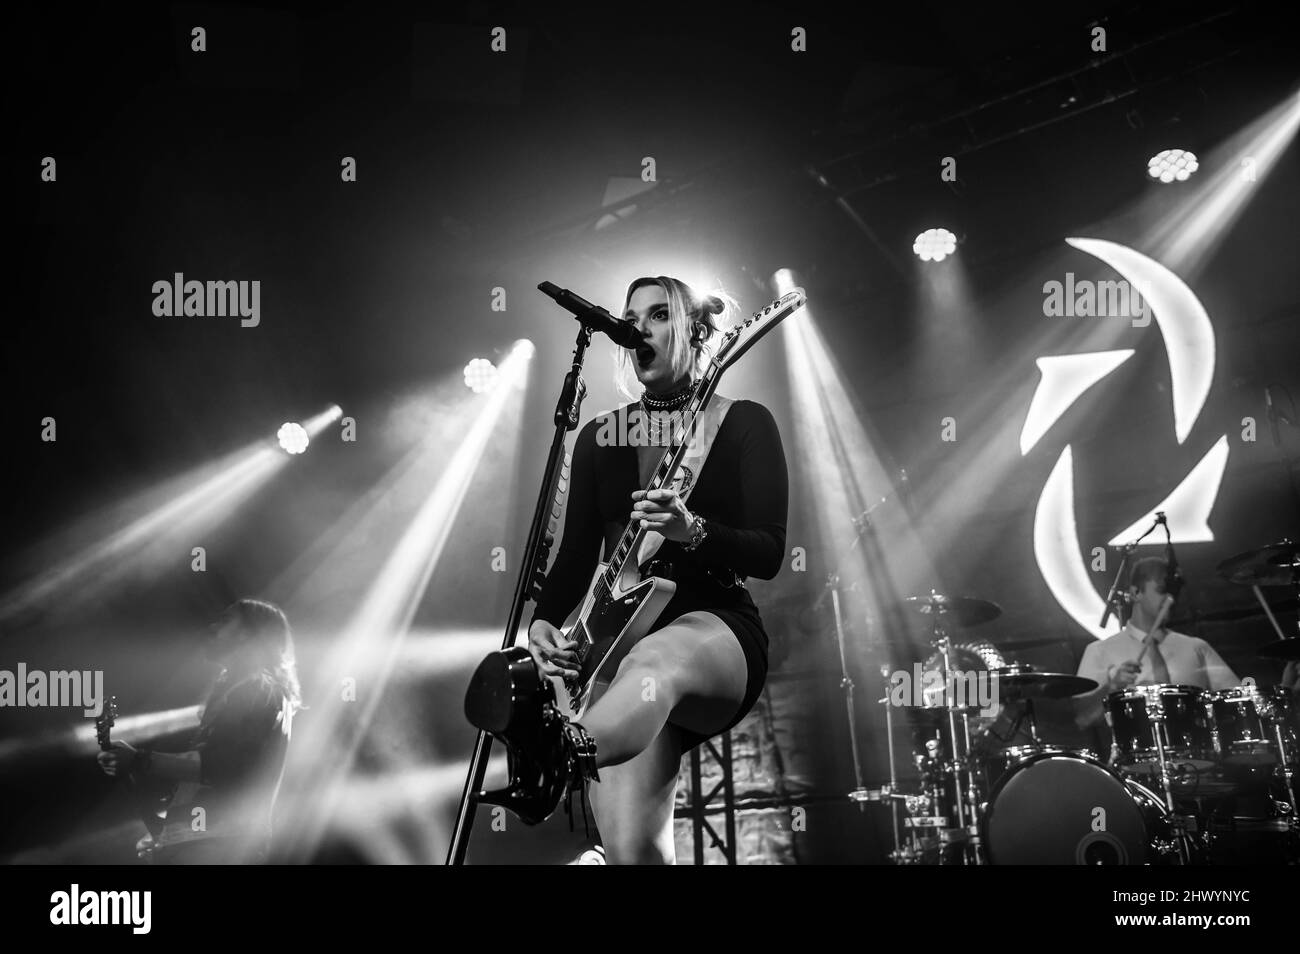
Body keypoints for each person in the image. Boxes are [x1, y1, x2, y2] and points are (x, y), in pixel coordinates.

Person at [465, 275, 788, 864]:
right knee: (635, 854)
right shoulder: (600, 436)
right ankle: (569, 749)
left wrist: (693, 531)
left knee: (653, 662)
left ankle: (560, 749)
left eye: (659, 314)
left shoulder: (744, 422)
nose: (639, 327)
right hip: (614, 645)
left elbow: (769, 551)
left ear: (694, 331)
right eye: (631, 317)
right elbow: (574, 554)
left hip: (713, 626)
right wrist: (543, 624)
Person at [97, 599, 302, 863]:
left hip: (217, 844)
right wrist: (167, 834)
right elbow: (224, 775)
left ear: (249, 634)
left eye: (226, 620)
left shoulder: (254, 690)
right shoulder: (252, 692)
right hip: (213, 842)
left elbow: (219, 766)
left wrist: (138, 760)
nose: (213, 627)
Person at [1075, 556, 1239, 733]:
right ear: (1135, 593)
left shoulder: (1197, 647)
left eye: (1173, 592)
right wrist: (1112, 688)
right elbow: (1082, 719)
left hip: (1199, 756)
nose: (1171, 599)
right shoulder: (1099, 651)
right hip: (1134, 757)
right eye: (1162, 590)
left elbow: (1238, 700)